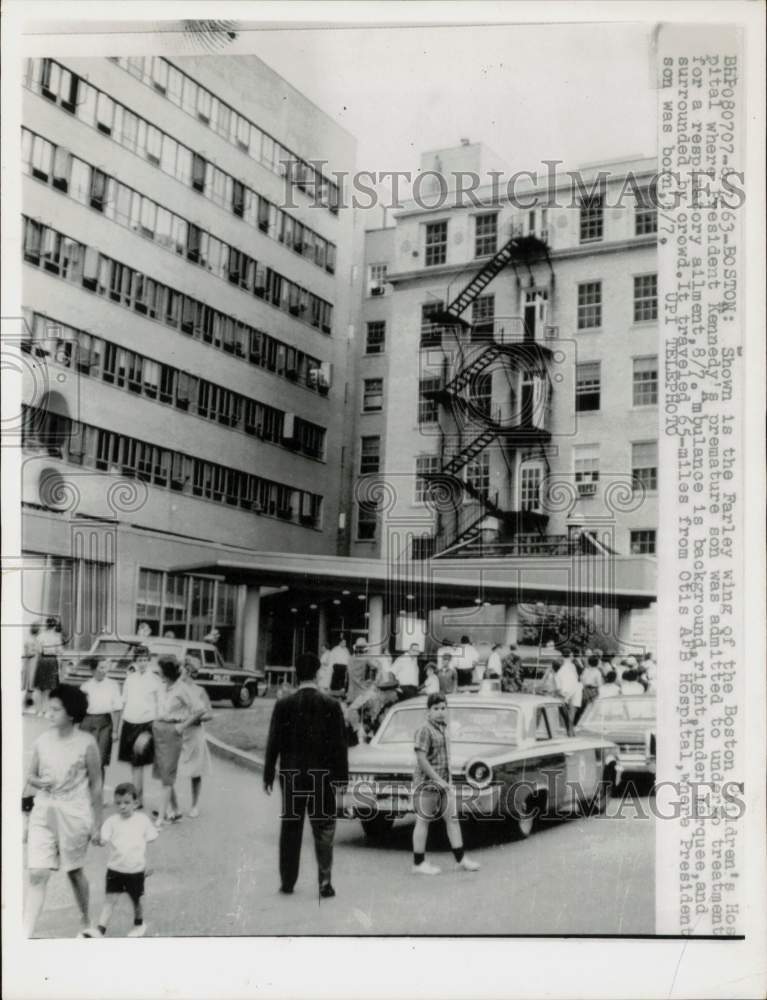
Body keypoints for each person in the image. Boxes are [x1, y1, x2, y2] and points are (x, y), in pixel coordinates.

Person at [264, 651, 348, 898]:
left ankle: (288, 881)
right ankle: (324, 881)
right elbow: (339, 744)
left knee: (291, 826)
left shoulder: (283, 705)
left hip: (291, 774)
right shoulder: (331, 705)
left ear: (296, 674)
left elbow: (274, 742)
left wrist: (268, 773)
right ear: (317, 673)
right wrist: (341, 777)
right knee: (323, 827)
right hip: (321, 775)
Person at [24, 684, 103, 938]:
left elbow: (97, 784)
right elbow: (31, 775)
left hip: (74, 812)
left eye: (56, 709)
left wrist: (97, 823)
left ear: (71, 714)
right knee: (37, 872)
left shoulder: (87, 743)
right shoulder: (42, 741)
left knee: (73, 871)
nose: (49, 713)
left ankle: (85, 920)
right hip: (45, 808)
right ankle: (26, 932)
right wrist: (39, 783)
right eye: (50, 707)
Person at [411, 692, 480, 876]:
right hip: (427, 784)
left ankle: (461, 859)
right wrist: (438, 780)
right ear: (428, 711)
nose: (440, 712)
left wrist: (446, 782)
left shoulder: (443, 728)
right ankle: (418, 863)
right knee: (423, 821)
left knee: (453, 820)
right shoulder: (425, 730)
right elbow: (421, 759)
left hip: (444, 784)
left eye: (443, 708)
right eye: (436, 708)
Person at [94, 782, 159, 937]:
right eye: (118, 803)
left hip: (136, 870)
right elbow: (103, 840)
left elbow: (152, 840)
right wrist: (97, 840)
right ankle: (99, 931)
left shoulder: (143, 821)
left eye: (126, 803)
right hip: (115, 869)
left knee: (137, 900)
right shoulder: (111, 821)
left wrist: (149, 864)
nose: (122, 807)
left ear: (135, 803)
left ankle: (139, 924)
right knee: (110, 901)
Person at [152, 656, 197, 825]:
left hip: (172, 731)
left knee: (166, 776)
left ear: (169, 672)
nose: (159, 672)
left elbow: (199, 710)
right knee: (163, 774)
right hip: (159, 730)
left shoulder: (182, 689)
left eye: (161, 670)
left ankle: (161, 818)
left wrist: (182, 726)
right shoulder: (163, 686)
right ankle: (175, 810)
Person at [117, 646, 162, 809]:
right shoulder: (130, 679)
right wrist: (119, 726)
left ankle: (138, 799)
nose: (142, 663)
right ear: (135, 661)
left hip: (146, 724)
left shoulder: (155, 680)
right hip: (130, 722)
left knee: (139, 764)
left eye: (145, 660)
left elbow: (159, 705)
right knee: (134, 764)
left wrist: (153, 727)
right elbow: (124, 701)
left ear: (149, 660)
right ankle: (138, 798)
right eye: (140, 660)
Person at [80, 657, 123, 789]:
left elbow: (117, 709)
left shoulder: (113, 685)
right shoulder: (85, 686)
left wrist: (115, 730)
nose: (104, 670)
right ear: (93, 670)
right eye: (101, 667)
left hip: (105, 723)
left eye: (106, 667)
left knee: (100, 760)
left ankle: (98, 795)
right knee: (86, 760)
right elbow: (79, 710)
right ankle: (84, 794)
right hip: (87, 723)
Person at [179, 656, 213, 817]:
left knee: (195, 771)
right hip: (178, 733)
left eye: (183, 669)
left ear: (189, 671)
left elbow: (209, 714)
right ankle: (172, 806)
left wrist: (195, 717)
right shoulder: (176, 689)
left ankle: (194, 805)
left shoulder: (199, 691)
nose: (180, 672)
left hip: (194, 733)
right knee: (171, 769)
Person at [33, 617, 63, 717]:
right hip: (52, 661)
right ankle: (46, 710)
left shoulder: (40, 636)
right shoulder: (57, 637)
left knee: (39, 687)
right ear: (54, 626)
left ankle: (39, 710)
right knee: (48, 688)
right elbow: (60, 651)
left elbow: (38, 650)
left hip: (42, 660)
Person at [553, 650, 582, 727]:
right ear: (570, 655)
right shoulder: (572, 665)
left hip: (564, 692)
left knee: (564, 715)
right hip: (572, 691)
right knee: (570, 714)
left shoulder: (561, 666)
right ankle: (569, 728)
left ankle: (565, 727)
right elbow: (576, 678)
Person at [578, 655, 604, 722]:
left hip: (585, 690)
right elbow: (599, 684)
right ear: (597, 663)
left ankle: (584, 721)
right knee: (593, 708)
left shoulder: (585, 670)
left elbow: (581, 680)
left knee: (586, 708)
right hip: (593, 690)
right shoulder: (597, 672)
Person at [22, 623, 41, 711]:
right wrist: (35, 652)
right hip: (31, 664)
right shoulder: (32, 641)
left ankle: (26, 706)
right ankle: (25, 706)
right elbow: (29, 653)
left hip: (33, 664)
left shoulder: (34, 640)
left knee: (30, 687)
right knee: (30, 687)